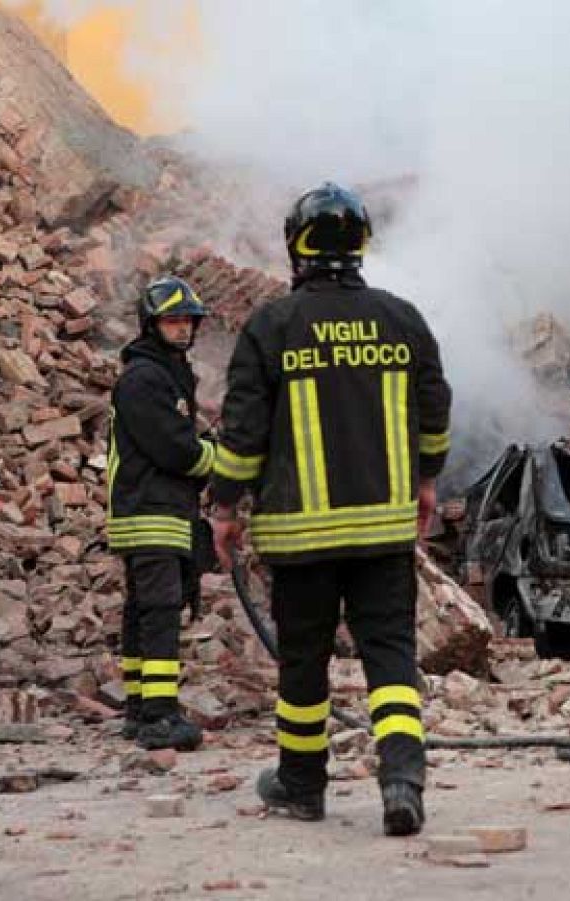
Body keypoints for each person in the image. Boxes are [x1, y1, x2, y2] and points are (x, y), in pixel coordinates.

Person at [209, 182, 451, 835]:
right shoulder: (403, 320)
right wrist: (427, 480)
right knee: (392, 655)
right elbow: (434, 412)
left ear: (297, 247)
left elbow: (242, 435)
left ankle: (302, 784)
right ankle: (402, 778)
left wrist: (225, 508)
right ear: (362, 245)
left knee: (304, 659)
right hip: (382, 532)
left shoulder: (271, 326)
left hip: (300, 538)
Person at [106, 275, 215, 751]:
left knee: (143, 609)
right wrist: (220, 459)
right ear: (152, 324)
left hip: (156, 509)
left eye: (188, 320)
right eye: (173, 320)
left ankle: (139, 708)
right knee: (161, 610)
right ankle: (159, 716)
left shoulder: (164, 374)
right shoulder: (145, 379)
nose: (183, 329)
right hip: (152, 510)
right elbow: (174, 449)